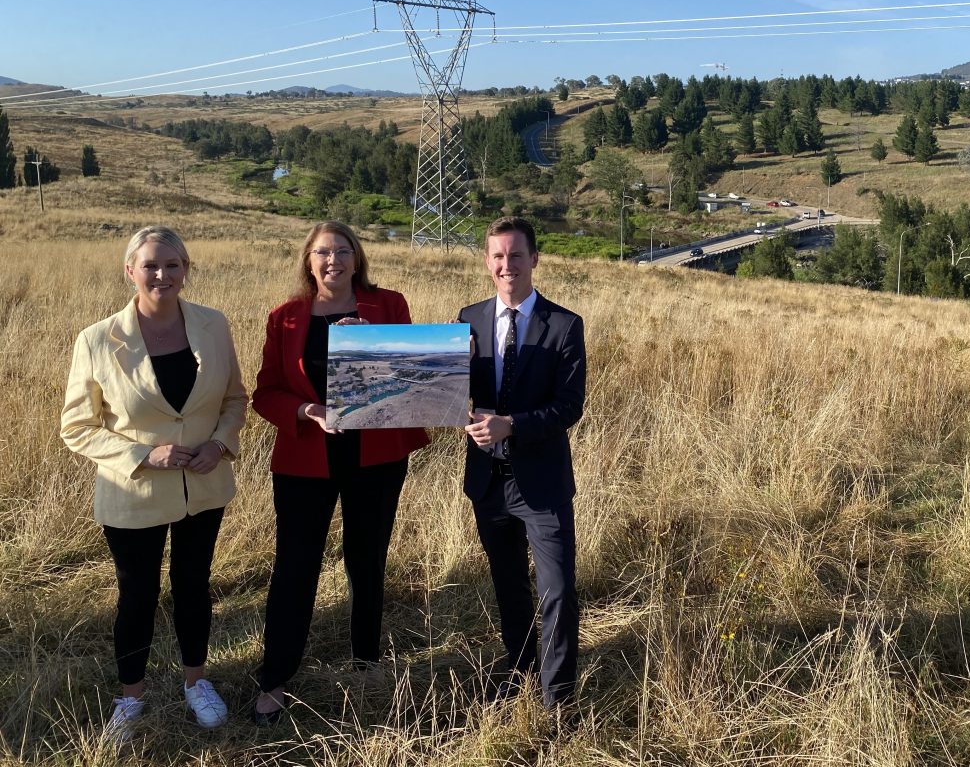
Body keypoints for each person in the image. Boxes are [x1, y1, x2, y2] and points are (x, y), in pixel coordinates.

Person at [60, 226, 247, 738]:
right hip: (133, 492)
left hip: (204, 487)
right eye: (150, 265)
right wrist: (145, 453)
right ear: (130, 272)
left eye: (172, 265)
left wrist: (220, 444)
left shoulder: (213, 324)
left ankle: (196, 683)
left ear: (186, 270)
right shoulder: (97, 340)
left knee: (193, 587)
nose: (162, 275)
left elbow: (234, 398)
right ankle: (131, 696)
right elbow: (76, 427)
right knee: (137, 594)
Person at [250, 220, 429, 725]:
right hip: (306, 458)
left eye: (343, 251)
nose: (334, 261)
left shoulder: (388, 305)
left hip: (376, 456)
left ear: (358, 257)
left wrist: (375, 341)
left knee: (367, 559)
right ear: (308, 260)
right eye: (323, 252)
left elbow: (412, 371)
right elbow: (266, 391)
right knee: (294, 567)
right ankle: (275, 676)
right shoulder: (285, 317)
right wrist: (308, 413)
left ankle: (365, 660)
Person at [459, 216, 586, 710]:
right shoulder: (466, 320)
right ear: (487, 261)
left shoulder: (565, 325)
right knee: (509, 586)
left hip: (542, 484)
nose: (505, 265)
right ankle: (519, 675)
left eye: (515, 255)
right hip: (487, 482)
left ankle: (558, 701)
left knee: (557, 591)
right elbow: (442, 387)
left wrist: (512, 424)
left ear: (534, 259)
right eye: (497, 256)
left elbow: (569, 406)